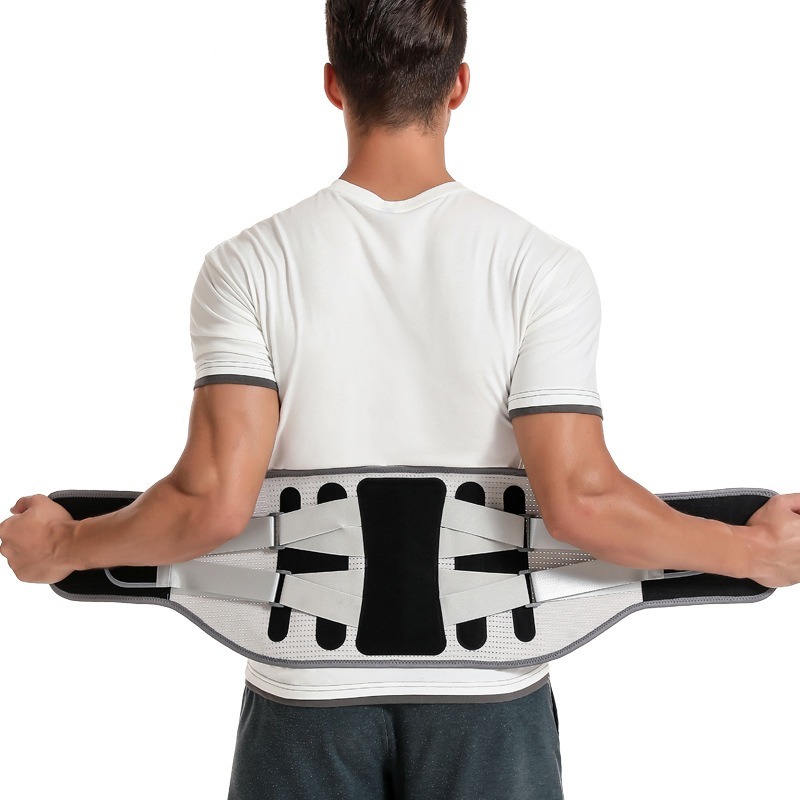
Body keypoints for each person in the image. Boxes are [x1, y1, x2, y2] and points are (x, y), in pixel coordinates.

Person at [2, 1, 799, 798]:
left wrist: (67, 545)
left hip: (305, 699)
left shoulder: (249, 265)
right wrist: (749, 554)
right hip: (488, 701)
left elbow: (209, 503)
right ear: (459, 86)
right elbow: (581, 502)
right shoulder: (538, 267)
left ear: (333, 85)